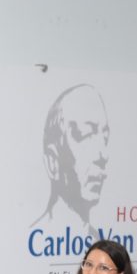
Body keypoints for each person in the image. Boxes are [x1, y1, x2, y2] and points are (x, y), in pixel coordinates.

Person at [32, 84, 110, 237]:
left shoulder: (99, 242)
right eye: (86, 135)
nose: (103, 155)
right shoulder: (38, 237)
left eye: (105, 139)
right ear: (52, 162)